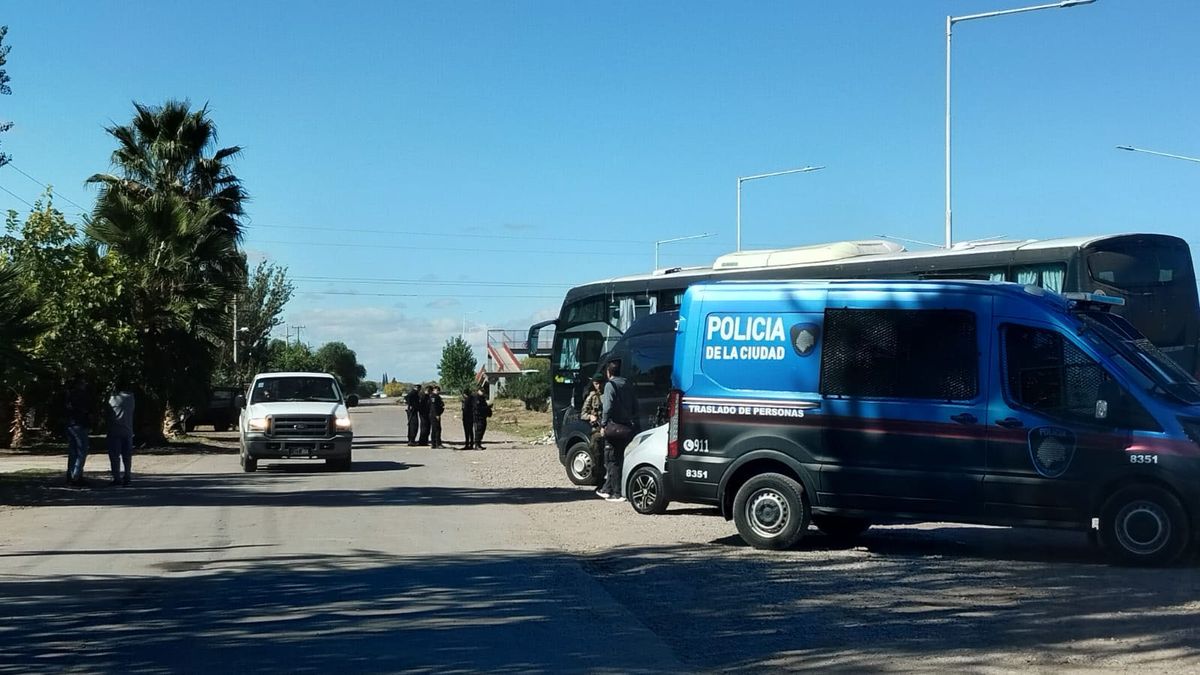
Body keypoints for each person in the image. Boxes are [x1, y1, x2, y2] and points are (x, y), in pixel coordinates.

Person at [597, 360, 638, 502]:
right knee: (620, 458)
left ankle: (616, 493)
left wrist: (603, 425)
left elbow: (607, 407)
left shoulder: (610, 385)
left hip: (614, 428)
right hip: (627, 427)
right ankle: (607, 489)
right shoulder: (628, 384)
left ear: (608, 373)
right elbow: (635, 405)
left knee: (611, 459)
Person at [64, 374, 92, 487]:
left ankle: (71, 476)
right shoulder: (83, 396)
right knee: (82, 451)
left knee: (73, 451)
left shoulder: (69, 395)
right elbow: (87, 411)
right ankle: (76, 475)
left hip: (71, 425)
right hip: (80, 425)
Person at [106, 383, 135, 486]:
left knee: (114, 456)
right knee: (127, 456)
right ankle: (127, 476)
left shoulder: (112, 399)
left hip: (114, 431)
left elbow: (107, 412)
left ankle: (117, 477)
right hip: (127, 431)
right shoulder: (131, 398)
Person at [581, 372, 605, 459]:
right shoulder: (592, 396)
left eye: (600, 383)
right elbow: (583, 414)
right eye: (596, 384)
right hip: (597, 428)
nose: (598, 386)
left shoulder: (609, 394)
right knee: (594, 446)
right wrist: (590, 416)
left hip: (609, 426)